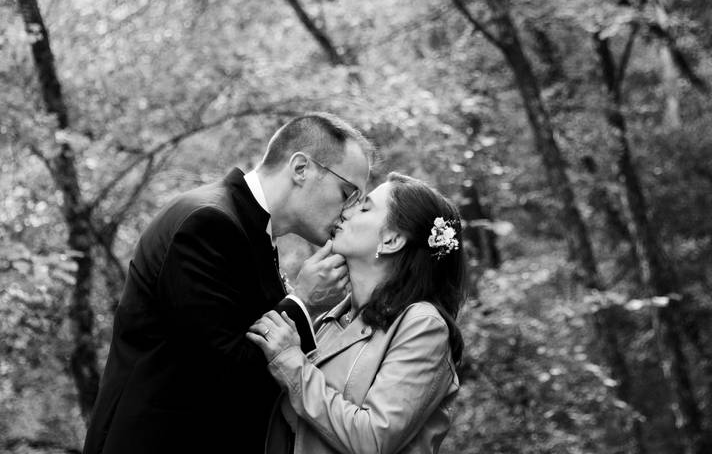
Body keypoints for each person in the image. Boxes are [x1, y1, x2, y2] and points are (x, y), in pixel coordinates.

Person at [82, 113, 373, 454]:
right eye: (347, 193)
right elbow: (219, 374)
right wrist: (304, 301)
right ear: (300, 169)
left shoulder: (251, 232)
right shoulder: (207, 224)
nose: (349, 212)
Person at [247, 172, 467, 454]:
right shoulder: (332, 319)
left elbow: (372, 440)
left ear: (391, 241)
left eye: (364, 208)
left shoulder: (423, 326)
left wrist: (291, 363)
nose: (346, 210)